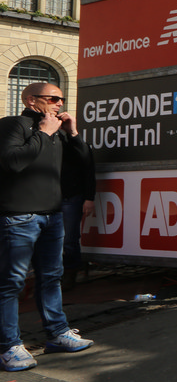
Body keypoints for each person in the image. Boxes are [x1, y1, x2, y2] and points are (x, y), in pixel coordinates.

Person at [1, 83, 94, 371]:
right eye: (53, 98)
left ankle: (57, 333)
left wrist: (73, 133)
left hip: (53, 216)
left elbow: (84, 162)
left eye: (61, 99)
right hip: (19, 216)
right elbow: (12, 162)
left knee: (52, 276)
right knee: (12, 282)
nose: (59, 103)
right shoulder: (14, 124)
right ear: (31, 100)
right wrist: (43, 133)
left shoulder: (58, 132)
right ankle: (8, 346)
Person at [60, 117, 96, 291]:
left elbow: (88, 169)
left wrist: (89, 198)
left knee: (69, 238)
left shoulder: (75, 144)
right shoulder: (46, 141)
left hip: (71, 197)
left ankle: (70, 272)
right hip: (49, 197)